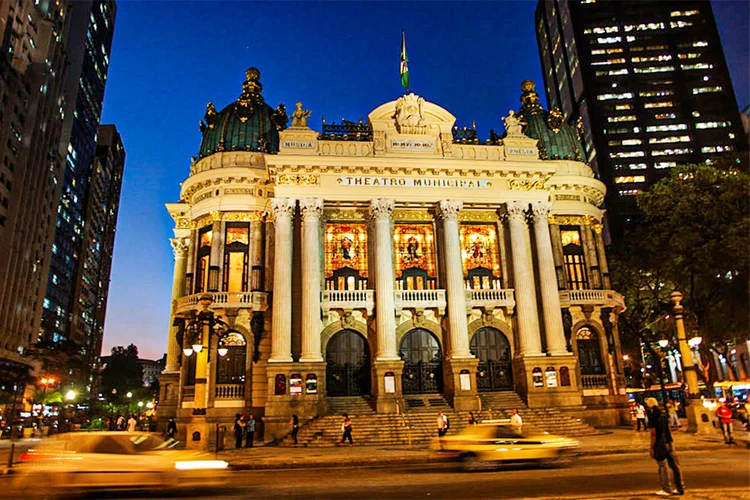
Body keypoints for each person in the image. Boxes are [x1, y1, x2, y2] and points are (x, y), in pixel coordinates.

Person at [645, 397, 684, 497]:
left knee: (662, 466)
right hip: (669, 441)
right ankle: (680, 488)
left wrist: (651, 447)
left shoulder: (653, 416)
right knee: (675, 466)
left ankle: (666, 489)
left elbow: (653, 433)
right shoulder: (663, 414)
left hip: (660, 443)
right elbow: (668, 429)